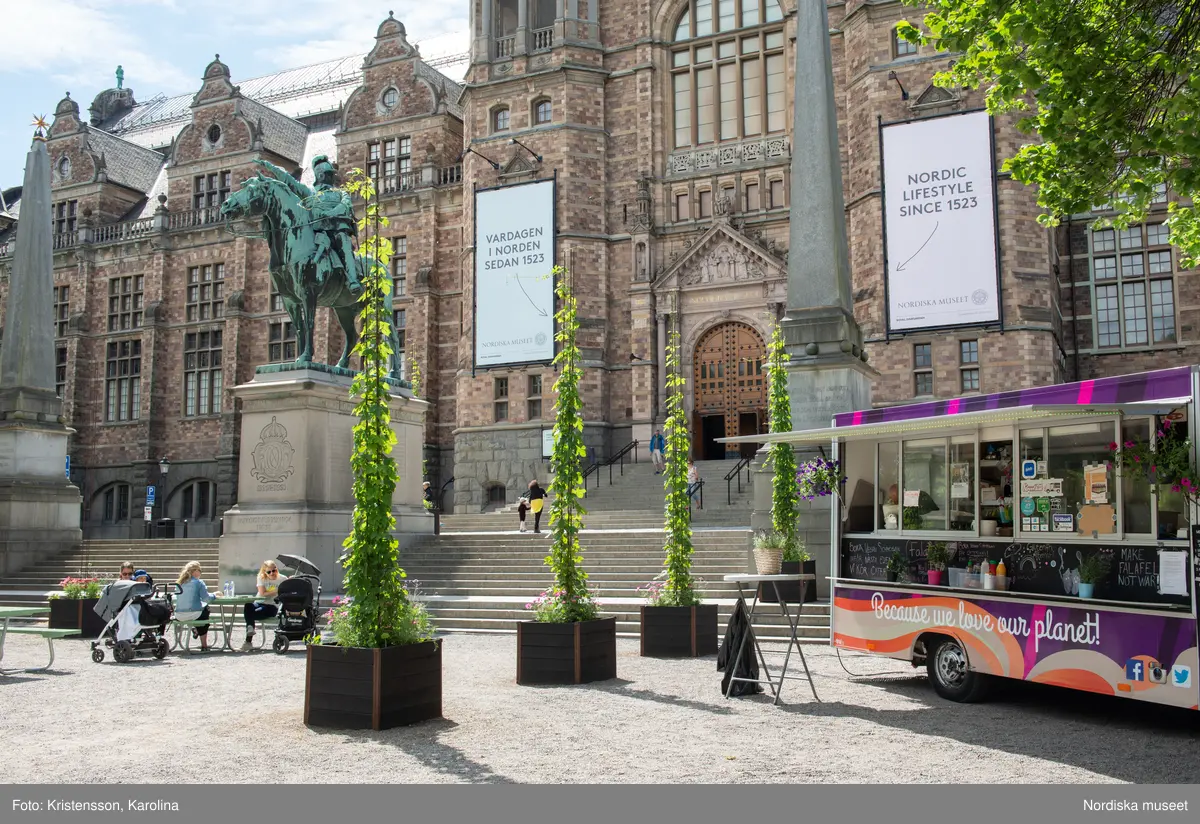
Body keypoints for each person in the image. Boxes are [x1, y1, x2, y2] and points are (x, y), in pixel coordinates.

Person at [242, 560, 284, 651]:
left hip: (272, 606)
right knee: (248, 606)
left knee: (253, 613)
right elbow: (262, 593)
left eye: (274, 570)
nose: (272, 573)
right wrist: (277, 590)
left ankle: (248, 642)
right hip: (259, 602)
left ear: (277, 569)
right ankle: (250, 628)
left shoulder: (282, 579)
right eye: (269, 572)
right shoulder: (261, 578)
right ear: (265, 572)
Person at [174, 561, 214, 652]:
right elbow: (206, 599)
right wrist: (215, 595)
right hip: (194, 613)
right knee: (205, 610)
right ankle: (204, 645)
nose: (200, 573)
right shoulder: (199, 582)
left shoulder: (179, 583)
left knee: (200, 611)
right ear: (195, 571)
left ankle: (195, 629)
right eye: (200, 570)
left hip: (179, 615)